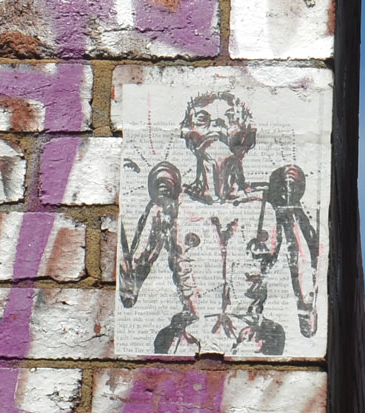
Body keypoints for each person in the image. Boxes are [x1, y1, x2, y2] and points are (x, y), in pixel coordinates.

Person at [118, 91, 319, 356]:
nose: (216, 126)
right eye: (203, 120)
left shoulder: (268, 203)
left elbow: (309, 315)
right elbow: (128, 291)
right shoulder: (175, 204)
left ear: (247, 136)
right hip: (187, 342)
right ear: (188, 134)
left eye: (228, 119)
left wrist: (292, 209)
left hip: (253, 341)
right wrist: (156, 203)